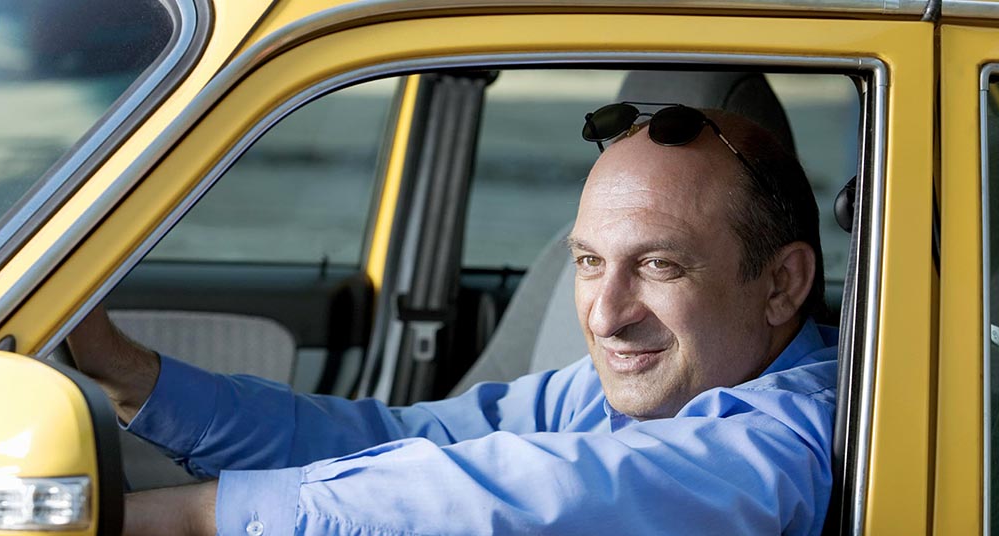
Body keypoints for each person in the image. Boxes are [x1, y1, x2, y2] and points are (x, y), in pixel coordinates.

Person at [67, 105, 838, 535]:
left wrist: (202, 519)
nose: (605, 316)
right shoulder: (635, 386)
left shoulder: (794, 440)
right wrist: (127, 374)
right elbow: (407, 440)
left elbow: (530, 496)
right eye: (588, 261)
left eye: (660, 265)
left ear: (783, 284)